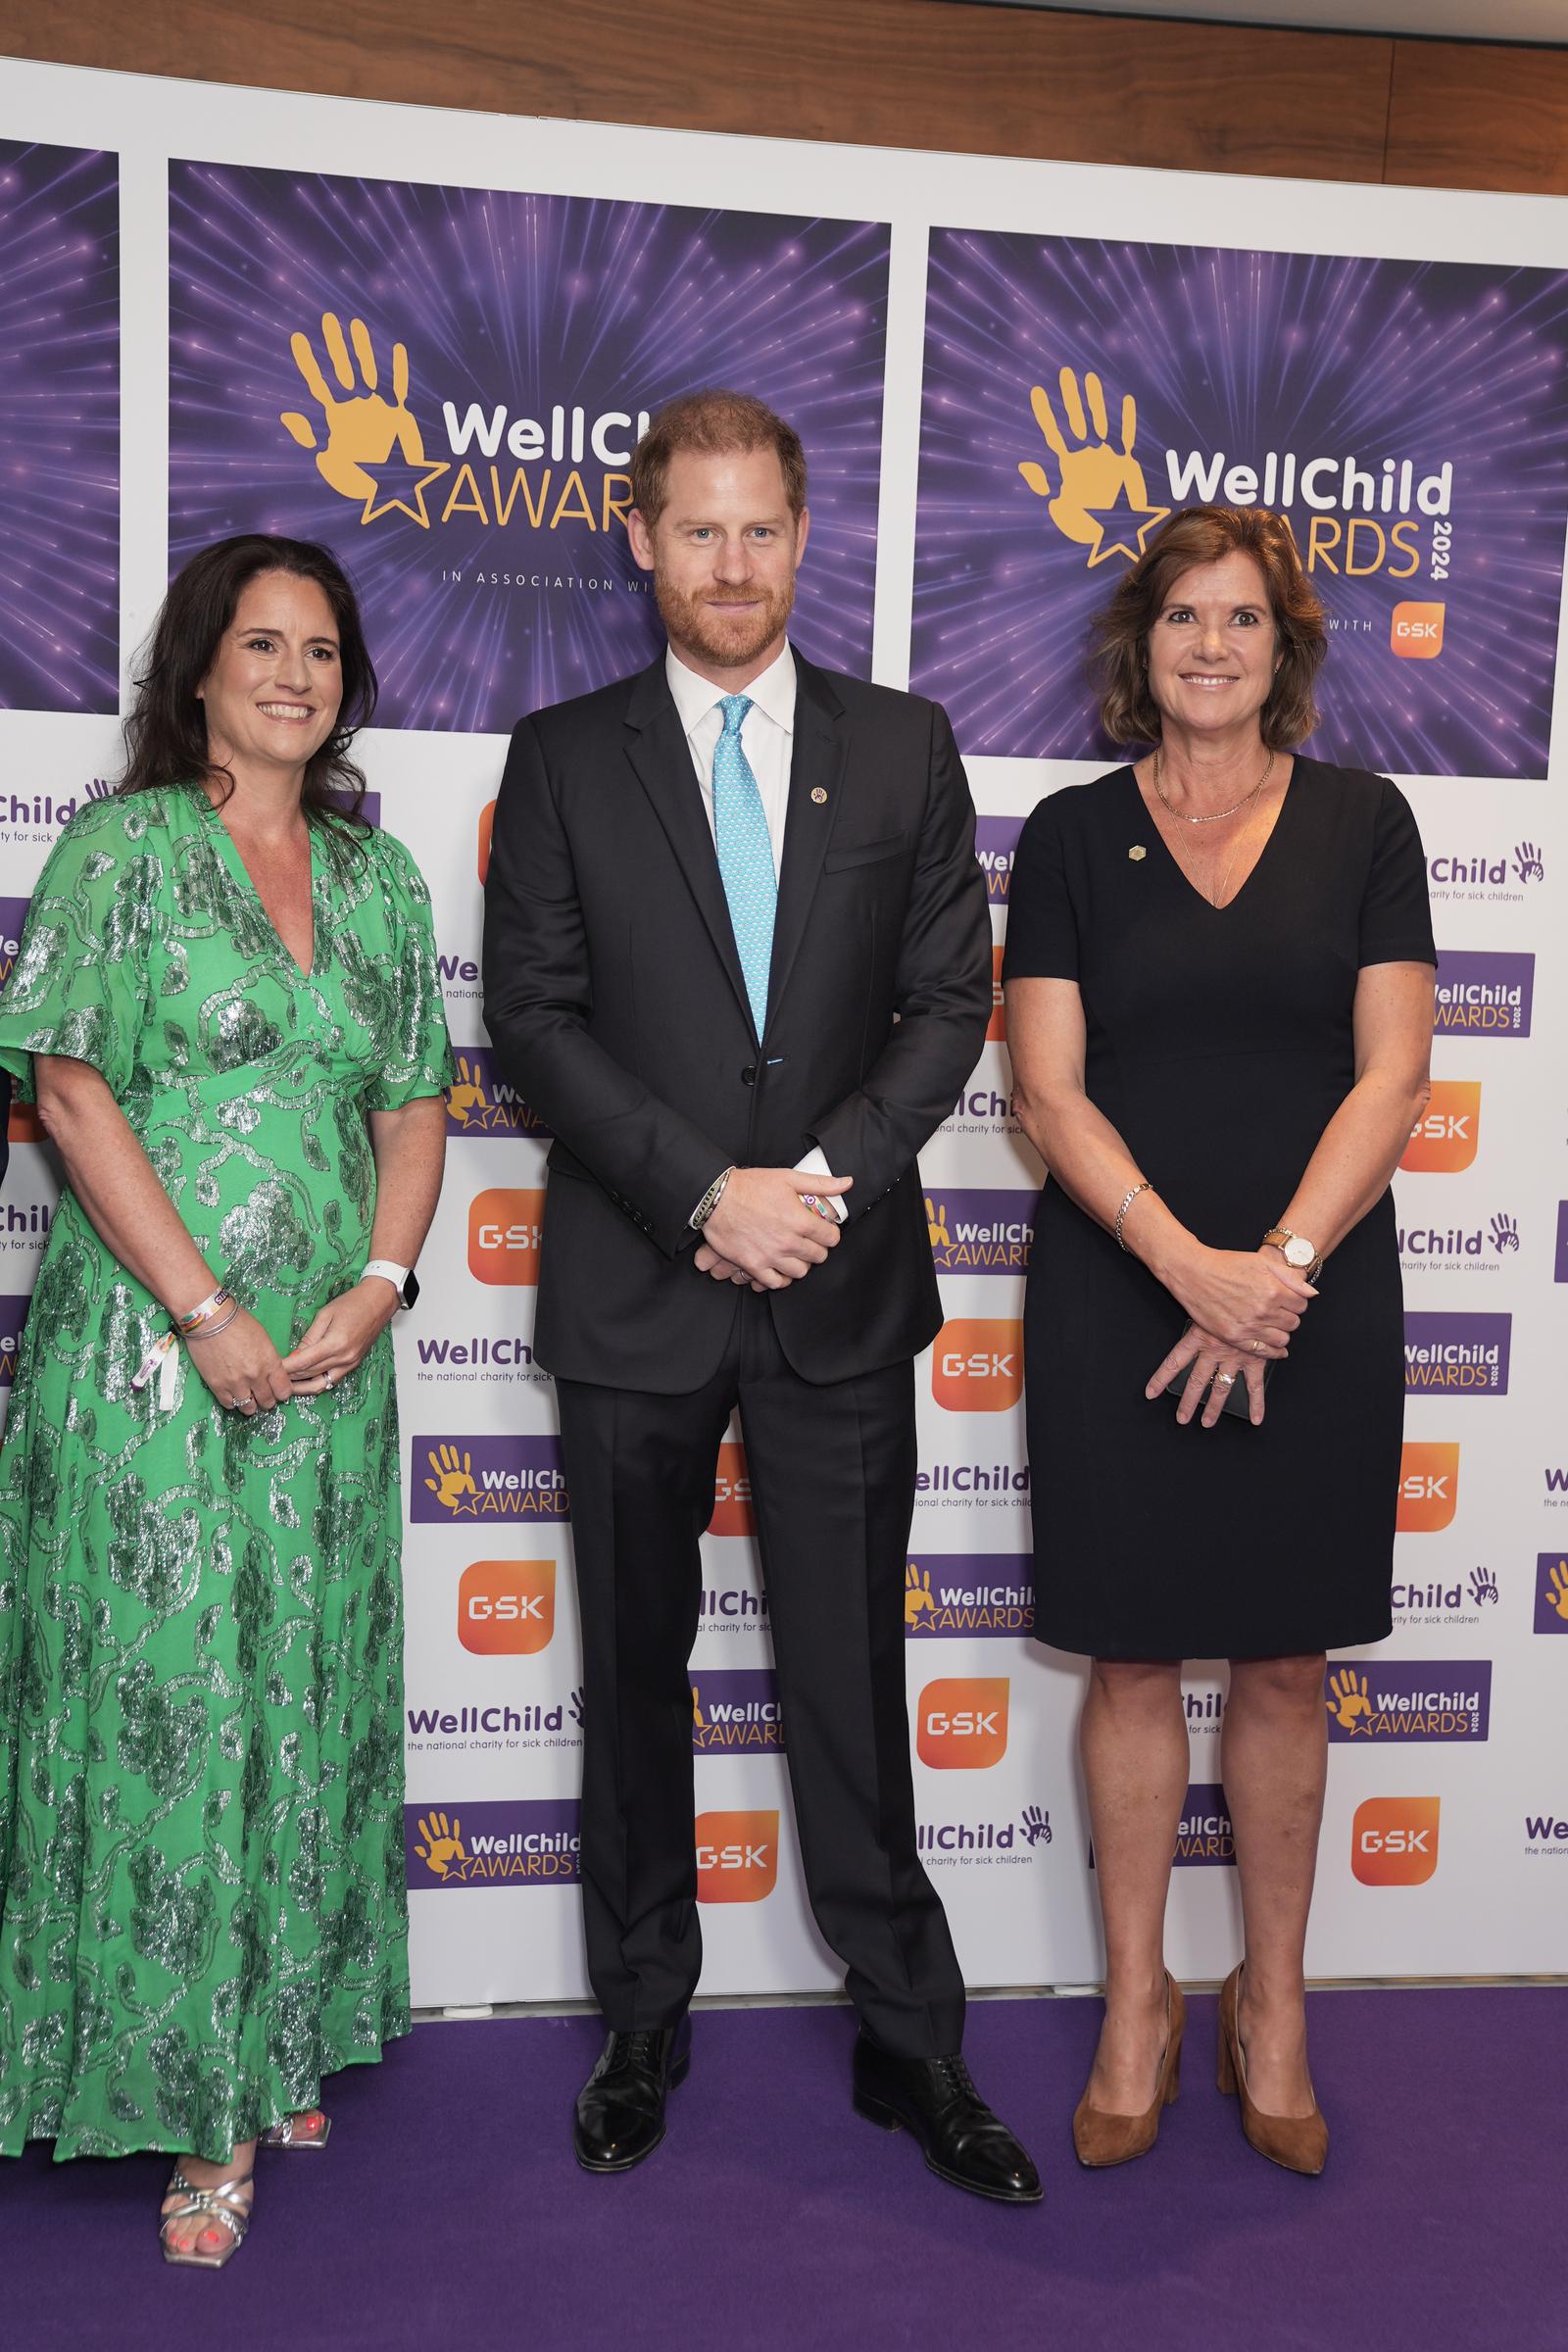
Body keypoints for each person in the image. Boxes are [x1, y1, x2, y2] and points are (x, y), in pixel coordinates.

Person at [482, 389, 1040, 2204]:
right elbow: (535, 1021)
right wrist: (698, 1193)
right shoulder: (563, 755)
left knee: (849, 1687)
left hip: (838, 1287)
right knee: (633, 1677)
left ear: (805, 539)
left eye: (763, 531)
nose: (734, 565)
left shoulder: (903, 745)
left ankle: (912, 2043)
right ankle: (645, 2017)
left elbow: (951, 1000)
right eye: (697, 529)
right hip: (641, 1291)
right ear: (639, 536)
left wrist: (815, 1191)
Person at [0, 535, 452, 2264]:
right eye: (261, 644)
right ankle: (190, 2106)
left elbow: (414, 1106)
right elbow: (70, 1087)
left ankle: (277, 2037)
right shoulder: (121, 854)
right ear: (199, 669)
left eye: (321, 649)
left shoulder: (382, 880)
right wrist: (201, 1309)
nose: (292, 674)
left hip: (333, 1370)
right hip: (148, 1365)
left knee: (303, 1698)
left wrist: (377, 1287)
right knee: (166, 1705)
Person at [1004, 504, 1434, 2177]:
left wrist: (1280, 1274)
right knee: (1127, 1657)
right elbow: (1047, 1087)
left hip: (1314, 1297)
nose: (1209, 645)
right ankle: (1138, 2003)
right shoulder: (1064, 836)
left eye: (1241, 619)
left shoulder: (1365, 823)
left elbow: (1390, 1075)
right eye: (1181, 617)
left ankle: (1277, 2007)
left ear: (1285, 645)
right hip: (1125, 1284)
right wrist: (1195, 1270)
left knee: (1277, 1660)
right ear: (1141, 644)